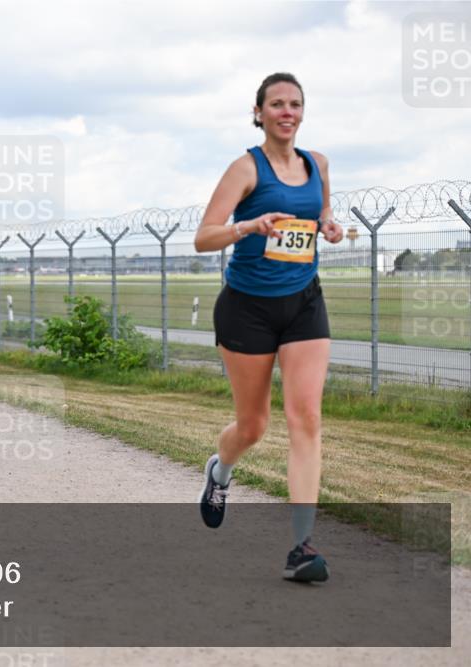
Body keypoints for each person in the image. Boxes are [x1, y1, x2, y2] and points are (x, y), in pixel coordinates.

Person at [193, 73, 343, 583]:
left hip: (304, 303)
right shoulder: (244, 169)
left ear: (303, 111)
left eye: (295, 104)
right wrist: (248, 226)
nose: (287, 112)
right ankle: (221, 470)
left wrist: (329, 225)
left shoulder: (317, 164)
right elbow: (203, 237)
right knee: (254, 426)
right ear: (258, 113)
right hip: (248, 309)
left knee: (306, 418)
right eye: (276, 104)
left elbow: (320, 212)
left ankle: (302, 548)